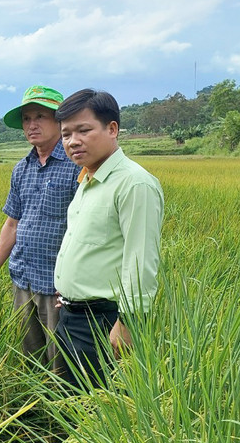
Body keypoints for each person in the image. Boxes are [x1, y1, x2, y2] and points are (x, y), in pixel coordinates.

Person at [52, 89, 164, 391]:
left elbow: (141, 261)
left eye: (83, 130)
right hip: (71, 315)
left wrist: (127, 324)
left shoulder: (134, 183)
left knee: (96, 410)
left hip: (105, 323)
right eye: (66, 134)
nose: (73, 141)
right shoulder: (88, 179)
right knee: (70, 401)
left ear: (112, 129)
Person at [0, 85, 81, 365]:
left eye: (40, 117)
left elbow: (88, 229)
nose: (32, 125)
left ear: (59, 120)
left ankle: (64, 408)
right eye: (26, 119)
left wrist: (75, 282)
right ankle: (33, 409)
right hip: (23, 278)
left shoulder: (76, 166)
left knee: (62, 362)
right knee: (30, 359)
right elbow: (12, 224)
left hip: (59, 285)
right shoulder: (22, 168)